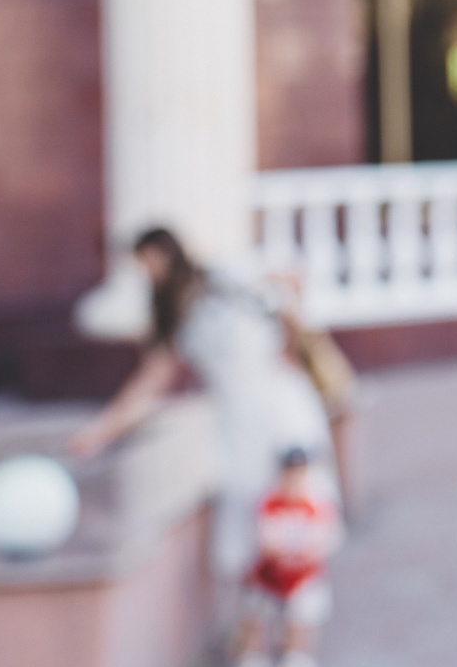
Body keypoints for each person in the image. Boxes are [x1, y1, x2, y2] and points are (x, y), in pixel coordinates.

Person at [67, 227, 338, 602]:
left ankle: (296, 637)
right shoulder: (175, 313)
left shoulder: (226, 274)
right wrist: (100, 432)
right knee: (247, 521)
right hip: (238, 421)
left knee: (299, 514)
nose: (146, 272)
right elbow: (150, 381)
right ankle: (252, 634)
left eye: (146, 262)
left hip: (282, 403)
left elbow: (291, 279)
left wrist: (290, 338)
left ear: (161, 254)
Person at [233, 446, 343, 667]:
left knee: (300, 616)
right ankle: (254, 657)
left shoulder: (316, 505)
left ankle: (295, 656)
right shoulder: (269, 503)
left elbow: (325, 540)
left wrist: (306, 551)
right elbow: (264, 540)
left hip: (302, 576)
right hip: (270, 576)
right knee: (258, 614)